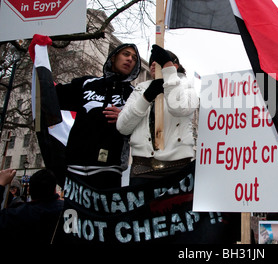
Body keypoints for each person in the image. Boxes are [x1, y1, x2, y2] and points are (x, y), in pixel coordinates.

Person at [56, 43, 141, 189]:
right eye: (126, 54)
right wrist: (40, 63)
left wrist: (125, 117)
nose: (130, 60)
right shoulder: (87, 84)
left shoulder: (135, 95)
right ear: (113, 57)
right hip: (75, 167)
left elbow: (143, 129)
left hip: (110, 170)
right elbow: (52, 97)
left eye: (134, 58)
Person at [117, 44, 199, 184]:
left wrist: (168, 71)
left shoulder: (187, 88)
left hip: (177, 168)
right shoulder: (140, 89)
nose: (154, 64)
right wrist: (145, 98)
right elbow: (123, 127)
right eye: (152, 62)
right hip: (142, 168)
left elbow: (179, 108)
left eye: (160, 60)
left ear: (175, 66)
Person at [0, 168, 64, 244]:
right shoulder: (68, 210)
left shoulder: (19, 214)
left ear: (29, 190)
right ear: (54, 189)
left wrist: (1, 184)